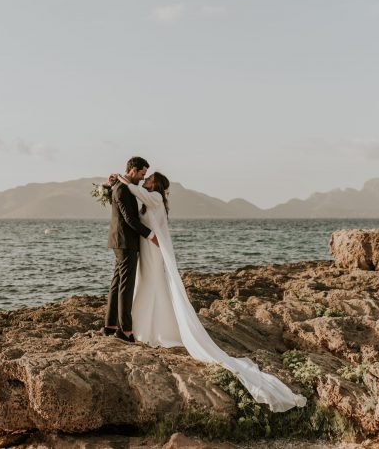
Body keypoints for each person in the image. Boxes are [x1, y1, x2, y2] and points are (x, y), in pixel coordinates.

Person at [109, 171, 307, 413]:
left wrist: (123, 179)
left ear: (156, 184)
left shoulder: (155, 198)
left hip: (152, 249)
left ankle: (148, 328)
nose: (146, 179)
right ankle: (143, 327)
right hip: (147, 248)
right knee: (148, 284)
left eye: (150, 178)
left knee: (151, 285)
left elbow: (135, 192)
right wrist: (118, 184)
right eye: (145, 176)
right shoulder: (150, 198)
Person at [103, 156, 158, 343]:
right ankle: (125, 330)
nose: (143, 178)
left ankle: (110, 325)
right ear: (132, 170)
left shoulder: (119, 187)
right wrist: (151, 235)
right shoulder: (123, 189)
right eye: (142, 173)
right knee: (126, 286)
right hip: (125, 242)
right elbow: (129, 219)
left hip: (120, 241)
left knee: (117, 282)